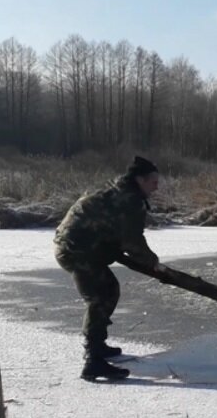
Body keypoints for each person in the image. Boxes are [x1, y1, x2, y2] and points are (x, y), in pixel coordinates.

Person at [54, 156, 166, 381]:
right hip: (78, 251)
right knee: (101, 295)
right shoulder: (130, 200)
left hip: (77, 247)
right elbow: (132, 240)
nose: (156, 186)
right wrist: (153, 262)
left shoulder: (120, 192)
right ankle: (93, 360)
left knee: (109, 290)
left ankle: (98, 345)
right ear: (140, 180)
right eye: (153, 181)